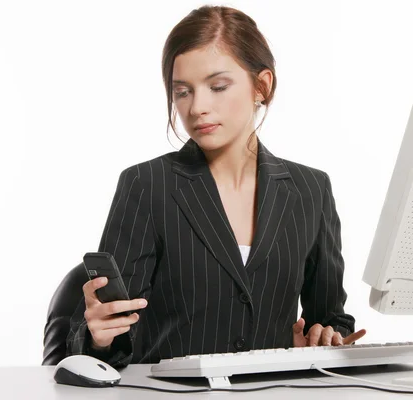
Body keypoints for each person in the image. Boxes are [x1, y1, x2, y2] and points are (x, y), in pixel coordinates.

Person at [66, 4, 365, 368]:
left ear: (262, 86)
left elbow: (330, 317)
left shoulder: (311, 190)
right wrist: (97, 335)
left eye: (218, 86)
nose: (197, 108)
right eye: (182, 92)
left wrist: (326, 337)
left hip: (273, 391)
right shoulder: (147, 185)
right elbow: (112, 331)